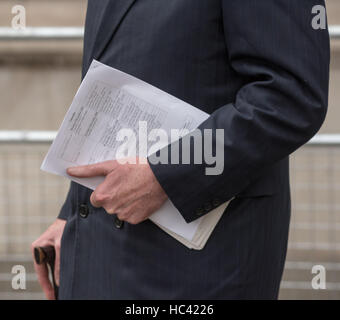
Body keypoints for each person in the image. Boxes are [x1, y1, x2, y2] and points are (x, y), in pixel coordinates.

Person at [32, 0, 330, 299]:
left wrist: (166, 175)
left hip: (203, 263)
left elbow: (290, 97)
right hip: (100, 249)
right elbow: (113, 76)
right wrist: (72, 215)